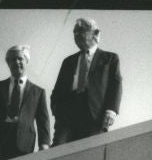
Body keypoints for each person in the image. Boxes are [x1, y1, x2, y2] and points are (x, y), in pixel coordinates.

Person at [0, 45, 51, 160]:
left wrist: (44, 144)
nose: (16, 62)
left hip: (23, 144)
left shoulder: (38, 92)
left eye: (20, 59)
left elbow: (43, 120)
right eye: (12, 59)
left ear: (26, 61)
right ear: (8, 63)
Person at [51, 17, 123, 145]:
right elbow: (58, 89)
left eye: (81, 30)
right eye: (74, 32)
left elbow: (115, 85)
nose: (76, 34)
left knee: (91, 153)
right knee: (58, 150)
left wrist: (111, 110)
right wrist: (56, 108)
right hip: (68, 113)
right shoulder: (68, 61)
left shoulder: (110, 59)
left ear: (95, 34)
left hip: (95, 114)